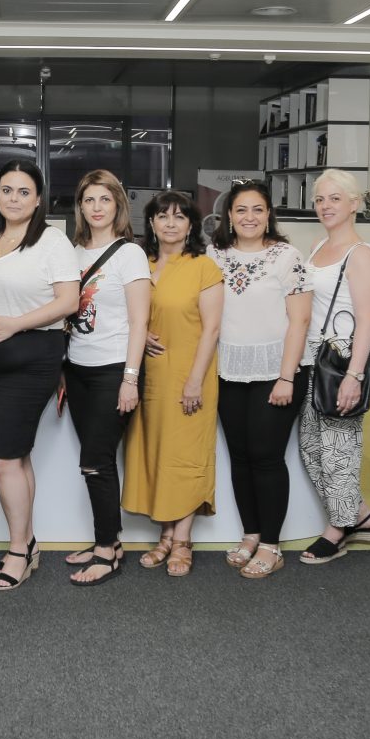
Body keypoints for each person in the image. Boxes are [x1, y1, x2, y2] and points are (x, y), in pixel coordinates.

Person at [0, 159, 79, 592]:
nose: (14, 198)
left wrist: (16, 323)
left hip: (30, 360)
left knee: (2, 459)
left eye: (24, 191)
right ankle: (27, 544)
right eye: (7, 190)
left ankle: (18, 549)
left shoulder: (52, 241)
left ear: (38, 199)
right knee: (17, 456)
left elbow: (68, 301)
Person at [209, 179, 311, 580]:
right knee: (240, 458)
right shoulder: (214, 256)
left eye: (257, 209)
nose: (249, 217)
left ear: (268, 214)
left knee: (267, 459)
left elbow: (300, 320)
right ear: (229, 217)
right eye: (241, 210)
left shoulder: (287, 256)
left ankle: (271, 543)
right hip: (228, 371)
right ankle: (250, 534)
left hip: (276, 374)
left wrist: (286, 377)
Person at [121, 190, 222, 577]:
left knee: (185, 457)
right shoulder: (140, 263)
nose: (170, 223)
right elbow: (132, 313)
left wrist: (195, 380)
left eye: (180, 217)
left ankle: (182, 540)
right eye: (163, 216)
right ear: (150, 223)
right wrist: (141, 331)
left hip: (189, 375)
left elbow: (212, 329)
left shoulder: (203, 267)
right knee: (158, 454)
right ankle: (165, 535)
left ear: (191, 225)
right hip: (149, 378)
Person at [60, 170, 150, 586]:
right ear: (80, 207)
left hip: (114, 370)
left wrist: (130, 379)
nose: (96, 208)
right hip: (76, 369)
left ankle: (105, 552)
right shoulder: (72, 252)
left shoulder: (129, 254)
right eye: (89, 200)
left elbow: (139, 321)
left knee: (96, 461)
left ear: (118, 205)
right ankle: (109, 541)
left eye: (104, 200)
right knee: (94, 462)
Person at [295, 169, 370, 566]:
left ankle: (340, 527)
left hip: (341, 363)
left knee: (339, 450)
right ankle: (361, 515)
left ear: (353, 204)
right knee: (312, 447)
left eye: (334, 198)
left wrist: (355, 375)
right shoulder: (317, 247)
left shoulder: (359, 253)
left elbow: (367, 319)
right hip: (311, 361)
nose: (325, 206)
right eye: (319, 200)